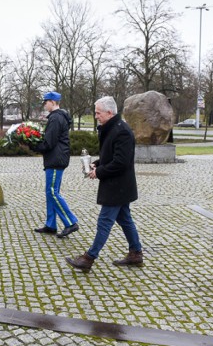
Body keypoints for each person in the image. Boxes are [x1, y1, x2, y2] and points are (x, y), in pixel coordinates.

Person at [65, 96, 143, 271]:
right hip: (119, 185)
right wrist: (98, 163)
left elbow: (120, 162)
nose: (95, 116)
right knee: (125, 219)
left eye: (98, 112)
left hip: (118, 186)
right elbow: (112, 156)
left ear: (109, 112)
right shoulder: (112, 128)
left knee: (104, 221)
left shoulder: (121, 131)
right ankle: (136, 253)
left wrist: (98, 172)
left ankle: (89, 258)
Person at [31, 91, 79, 238]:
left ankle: (71, 222)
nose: (45, 104)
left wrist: (32, 146)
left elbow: (49, 143)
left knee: (52, 192)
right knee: (51, 192)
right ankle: (51, 224)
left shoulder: (56, 118)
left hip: (55, 159)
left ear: (53, 102)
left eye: (46, 102)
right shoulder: (57, 117)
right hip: (56, 158)